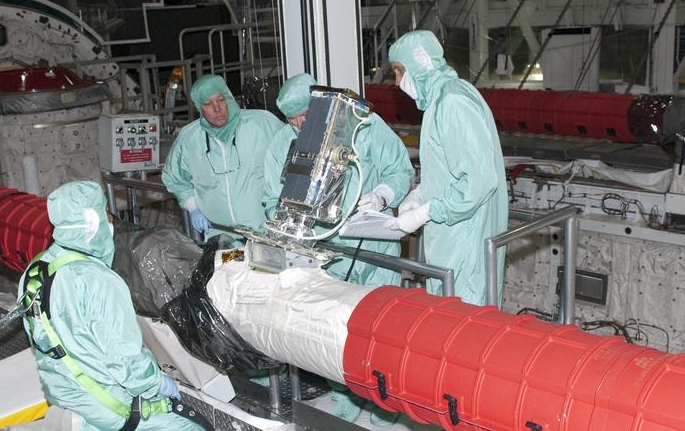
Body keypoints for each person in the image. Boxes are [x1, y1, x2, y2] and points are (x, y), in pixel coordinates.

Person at [20, 181, 208, 431]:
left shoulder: (36, 269)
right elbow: (125, 365)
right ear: (94, 223)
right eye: (107, 217)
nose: (111, 225)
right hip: (102, 399)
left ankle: (85, 427)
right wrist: (158, 384)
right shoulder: (100, 281)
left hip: (59, 392)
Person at [388, 30, 507, 306]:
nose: (396, 82)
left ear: (419, 64)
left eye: (398, 71)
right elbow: (450, 169)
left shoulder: (452, 102)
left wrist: (428, 211)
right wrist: (420, 194)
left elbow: (478, 181)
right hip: (452, 239)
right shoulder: (441, 101)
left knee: (463, 322)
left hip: (464, 240)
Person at [262, 73, 414, 287]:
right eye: (292, 119)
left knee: (381, 312)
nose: (300, 124)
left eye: (305, 114)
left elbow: (399, 169)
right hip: (326, 254)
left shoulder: (362, 125)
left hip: (376, 248)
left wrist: (383, 195)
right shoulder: (282, 143)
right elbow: (271, 199)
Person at [163, 74, 282, 240]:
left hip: (265, 232)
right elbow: (174, 178)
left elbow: (292, 155)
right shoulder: (189, 138)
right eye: (208, 104)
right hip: (220, 235)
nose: (217, 109)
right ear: (199, 108)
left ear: (229, 98)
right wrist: (192, 207)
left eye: (221, 100)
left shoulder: (262, 123)